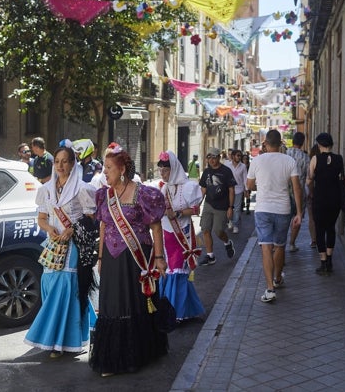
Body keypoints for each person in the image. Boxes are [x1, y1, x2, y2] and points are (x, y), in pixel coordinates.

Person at [89, 146, 168, 377]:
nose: (105, 173)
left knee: (134, 303)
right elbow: (104, 225)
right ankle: (113, 357)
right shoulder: (105, 195)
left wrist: (160, 258)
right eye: (104, 168)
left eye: (109, 168)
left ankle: (139, 354)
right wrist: (101, 256)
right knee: (111, 305)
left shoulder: (143, 194)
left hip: (136, 259)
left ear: (122, 169)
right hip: (112, 260)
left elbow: (156, 228)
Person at [24, 147, 97, 357]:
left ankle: (59, 341)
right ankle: (62, 334)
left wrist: (72, 229)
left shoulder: (82, 188)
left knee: (65, 287)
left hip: (73, 247)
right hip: (53, 246)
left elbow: (91, 219)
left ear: (73, 164)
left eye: (65, 161)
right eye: (57, 161)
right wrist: (50, 230)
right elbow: (42, 219)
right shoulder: (46, 189)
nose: (60, 166)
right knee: (49, 285)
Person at [247, 129, 302, 303]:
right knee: (279, 246)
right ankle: (278, 278)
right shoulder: (289, 161)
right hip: (283, 209)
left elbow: (249, 185)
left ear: (265, 143)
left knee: (265, 247)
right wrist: (299, 213)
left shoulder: (257, 160)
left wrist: (261, 187)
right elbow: (296, 188)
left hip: (263, 208)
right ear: (280, 143)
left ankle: (270, 289)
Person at [156, 150, 205, 322]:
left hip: (182, 235)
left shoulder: (189, 186)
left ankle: (175, 312)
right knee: (170, 269)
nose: (162, 173)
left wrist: (177, 213)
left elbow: (195, 209)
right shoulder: (163, 188)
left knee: (178, 270)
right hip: (166, 234)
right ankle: (184, 309)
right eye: (160, 170)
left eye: (166, 170)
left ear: (174, 169)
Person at [307, 133, 345, 275]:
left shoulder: (315, 159)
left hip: (320, 199)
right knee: (331, 228)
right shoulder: (339, 159)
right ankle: (330, 260)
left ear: (319, 145)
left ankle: (323, 263)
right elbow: (343, 178)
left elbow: (309, 179)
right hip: (335, 199)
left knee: (320, 229)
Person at [198, 147, 237, 266]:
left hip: (222, 206)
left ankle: (227, 242)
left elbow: (231, 190)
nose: (211, 160)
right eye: (209, 157)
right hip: (209, 204)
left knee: (218, 231)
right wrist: (197, 204)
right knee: (205, 229)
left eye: (213, 157)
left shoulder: (226, 171)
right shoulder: (206, 172)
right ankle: (210, 256)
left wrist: (231, 207)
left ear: (219, 158)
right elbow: (203, 190)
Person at [286, 132, 310, 252]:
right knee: (298, 217)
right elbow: (309, 178)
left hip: (285, 192)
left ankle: (280, 244)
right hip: (300, 193)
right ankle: (291, 243)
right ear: (303, 142)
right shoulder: (306, 158)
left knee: (284, 218)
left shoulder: (285, 154)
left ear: (293, 141)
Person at [224, 149, 248, 234]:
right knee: (229, 207)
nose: (239, 157)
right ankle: (229, 221)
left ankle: (235, 225)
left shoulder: (243, 166)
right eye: (237, 155)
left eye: (240, 156)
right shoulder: (227, 165)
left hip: (238, 190)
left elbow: (245, 179)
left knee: (237, 209)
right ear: (233, 156)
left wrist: (246, 190)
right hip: (228, 190)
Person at [307, 143, 321, 249]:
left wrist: (311, 193)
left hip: (312, 194)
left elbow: (310, 181)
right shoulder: (325, 162)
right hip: (323, 194)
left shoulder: (310, 163)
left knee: (312, 217)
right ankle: (320, 237)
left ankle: (314, 240)